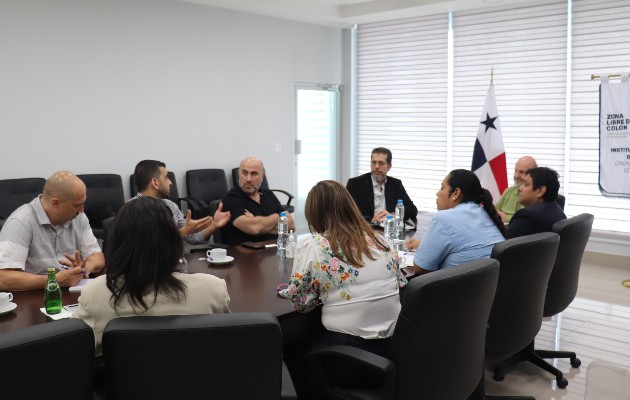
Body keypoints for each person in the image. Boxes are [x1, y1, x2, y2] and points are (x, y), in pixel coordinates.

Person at [72, 196, 230, 356]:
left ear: (117, 244)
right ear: (174, 241)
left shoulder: (94, 294)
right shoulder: (213, 290)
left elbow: (72, 350)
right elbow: (226, 347)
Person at [285, 180, 407, 357]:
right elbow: (401, 282)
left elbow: (301, 304)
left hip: (348, 352)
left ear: (314, 215)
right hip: (392, 348)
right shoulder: (382, 240)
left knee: (289, 352)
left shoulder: (314, 245)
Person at [0, 171, 105, 291]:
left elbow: (98, 257)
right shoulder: (20, 221)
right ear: (55, 203)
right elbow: (3, 278)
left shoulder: (79, 217)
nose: (81, 210)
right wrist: (53, 280)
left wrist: (85, 267)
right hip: (35, 296)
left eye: (83, 204)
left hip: (72, 293)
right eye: (77, 205)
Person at [406, 169, 506, 276]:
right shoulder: (485, 213)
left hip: (456, 290)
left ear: (456, 193)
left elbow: (420, 268)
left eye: (442, 188)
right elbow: (468, 247)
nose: (437, 193)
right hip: (488, 288)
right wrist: (424, 246)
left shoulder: (444, 218)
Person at [132, 160, 230, 244]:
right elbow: (148, 247)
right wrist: (183, 232)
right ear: (155, 183)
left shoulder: (170, 205)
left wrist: (214, 225)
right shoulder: (131, 210)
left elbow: (193, 238)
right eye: (166, 177)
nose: (170, 182)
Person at [221, 157, 295, 246]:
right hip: (247, 256)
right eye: (244, 173)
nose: (248, 179)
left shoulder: (268, 194)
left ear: (262, 177)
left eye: (254, 174)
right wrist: (277, 217)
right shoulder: (231, 199)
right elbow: (255, 228)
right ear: (239, 174)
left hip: (274, 251)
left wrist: (260, 225)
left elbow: (291, 226)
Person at [346, 147, 418, 224]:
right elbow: (346, 213)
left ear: (389, 167)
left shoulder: (396, 184)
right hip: (364, 230)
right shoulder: (355, 184)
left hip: (388, 229)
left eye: (381, 163)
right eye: (374, 162)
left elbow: (412, 210)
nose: (376, 166)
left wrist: (393, 216)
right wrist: (371, 221)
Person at [506, 167, 566, 239]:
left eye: (526, 184)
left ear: (540, 191)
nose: (520, 188)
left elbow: (503, 246)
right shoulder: (558, 210)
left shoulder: (525, 216)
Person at [496, 156, 538, 223]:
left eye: (521, 172)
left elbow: (528, 221)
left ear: (533, 175)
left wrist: (505, 217)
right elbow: (494, 212)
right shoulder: (508, 191)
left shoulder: (535, 194)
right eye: (515, 171)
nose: (516, 175)